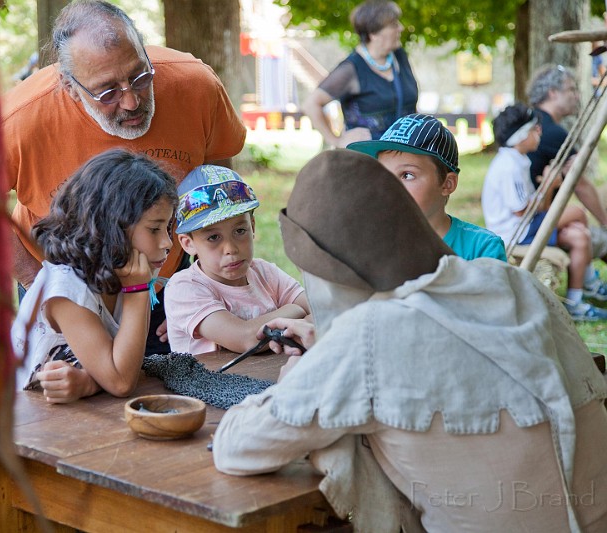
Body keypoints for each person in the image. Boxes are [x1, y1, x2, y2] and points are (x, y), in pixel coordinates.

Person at [212, 149, 607, 533]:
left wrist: (298, 379)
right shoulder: (513, 282)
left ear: (334, 270)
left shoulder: (368, 336)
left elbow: (237, 447)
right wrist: (332, 348)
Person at [3, 0, 246, 353]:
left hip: (168, 277)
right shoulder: (20, 120)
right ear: (70, 88)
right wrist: (39, 283)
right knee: (73, 400)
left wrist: (200, 279)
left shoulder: (195, 85)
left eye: (140, 76)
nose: (131, 101)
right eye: (107, 91)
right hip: (65, 285)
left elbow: (215, 178)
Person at [11, 149, 177, 403]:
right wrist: (136, 292)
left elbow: (127, 367)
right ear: (111, 226)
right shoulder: (66, 288)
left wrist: (89, 383)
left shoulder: (124, 272)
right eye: (154, 229)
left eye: (168, 227)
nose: (167, 242)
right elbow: (121, 382)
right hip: (25, 419)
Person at [165, 165, 310, 355]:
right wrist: (295, 311)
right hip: (212, 384)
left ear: (252, 226)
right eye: (213, 238)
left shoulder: (265, 273)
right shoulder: (184, 287)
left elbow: (322, 309)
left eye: (240, 231)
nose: (231, 248)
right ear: (187, 243)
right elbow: (246, 339)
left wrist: (300, 319)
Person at [483, 104, 607, 321]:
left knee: (579, 235)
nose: (539, 132)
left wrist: (547, 186)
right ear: (521, 137)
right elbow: (524, 211)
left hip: (524, 225)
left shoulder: (518, 160)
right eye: (534, 129)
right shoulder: (508, 165)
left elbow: (537, 207)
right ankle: (590, 284)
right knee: (577, 212)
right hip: (514, 232)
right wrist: (549, 185)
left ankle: (576, 302)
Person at [349, 113, 507, 261]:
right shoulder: (371, 244)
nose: (391, 187)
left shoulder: (482, 249)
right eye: (384, 174)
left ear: (447, 184)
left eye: (407, 175)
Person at [301, 0, 418, 148]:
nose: (401, 28)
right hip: (367, 161)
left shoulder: (399, 57)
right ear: (374, 33)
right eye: (394, 24)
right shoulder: (351, 69)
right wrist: (336, 141)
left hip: (404, 157)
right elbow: (311, 104)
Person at [527, 65, 607, 233]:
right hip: (531, 219)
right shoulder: (551, 131)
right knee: (585, 231)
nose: (577, 96)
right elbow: (580, 184)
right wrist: (605, 223)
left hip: (529, 213)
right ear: (553, 93)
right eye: (571, 89)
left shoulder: (531, 121)